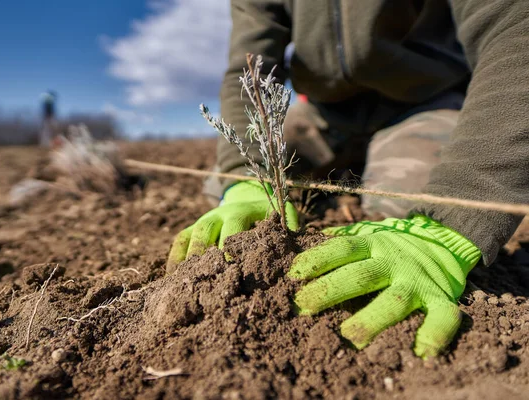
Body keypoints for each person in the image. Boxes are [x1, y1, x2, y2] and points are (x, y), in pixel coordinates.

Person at [167, 1, 529, 358]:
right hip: (326, 112)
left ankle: (367, 168)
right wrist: (247, 176)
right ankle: (344, 172)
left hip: (424, 101)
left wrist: (451, 226)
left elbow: (516, 25)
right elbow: (250, 70)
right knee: (229, 189)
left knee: (401, 211)